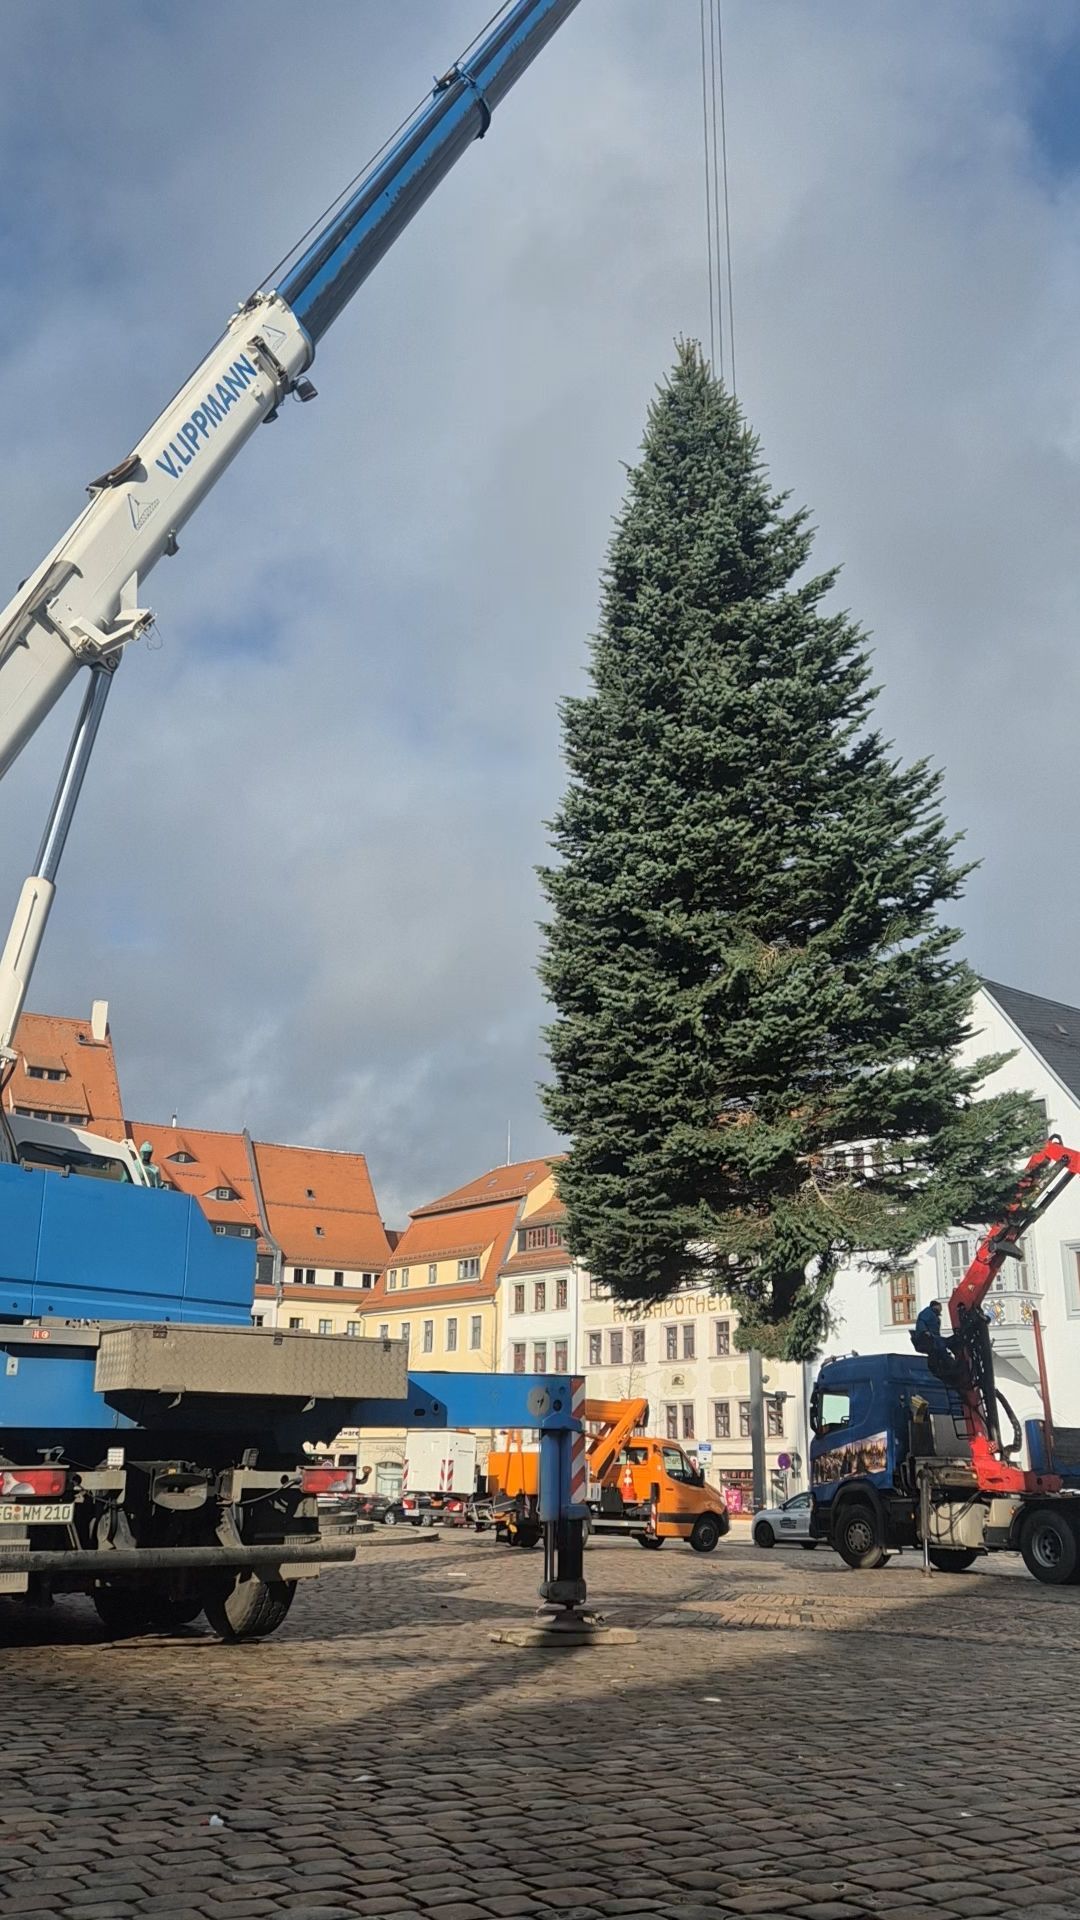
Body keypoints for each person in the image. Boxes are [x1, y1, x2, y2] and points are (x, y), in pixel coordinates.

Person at [910, 1298, 961, 1383]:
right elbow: (921, 1322)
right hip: (929, 1338)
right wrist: (925, 1331)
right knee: (941, 1345)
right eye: (940, 1307)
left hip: (934, 1337)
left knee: (946, 1342)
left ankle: (953, 1358)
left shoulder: (933, 1314)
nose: (941, 1310)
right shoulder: (927, 1313)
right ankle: (950, 1363)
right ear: (935, 1306)